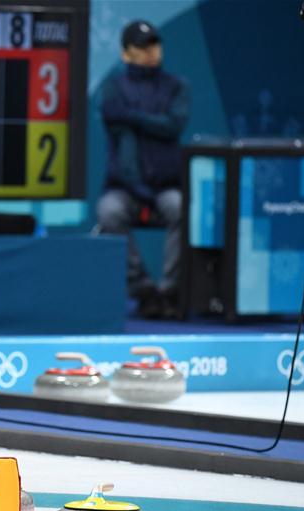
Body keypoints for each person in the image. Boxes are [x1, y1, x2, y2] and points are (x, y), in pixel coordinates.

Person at [96, 20, 190, 319]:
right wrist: (151, 121)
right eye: (142, 46)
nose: (151, 51)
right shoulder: (113, 88)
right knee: (109, 211)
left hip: (166, 187)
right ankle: (144, 290)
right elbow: (125, 134)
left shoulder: (177, 86)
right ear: (126, 53)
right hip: (125, 188)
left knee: (180, 207)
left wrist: (132, 116)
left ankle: (170, 292)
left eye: (155, 45)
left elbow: (172, 125)